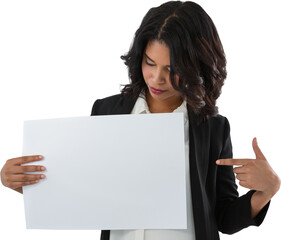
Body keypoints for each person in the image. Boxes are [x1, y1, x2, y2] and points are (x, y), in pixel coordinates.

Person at [1, 1, 280, 240]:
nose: (157, 79)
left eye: (172, 69)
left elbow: (223, 218)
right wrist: (29, 185)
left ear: (198, 67)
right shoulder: (107, 111)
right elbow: (85, 191)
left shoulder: (213, 127)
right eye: (149, 62)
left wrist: (265, 191)